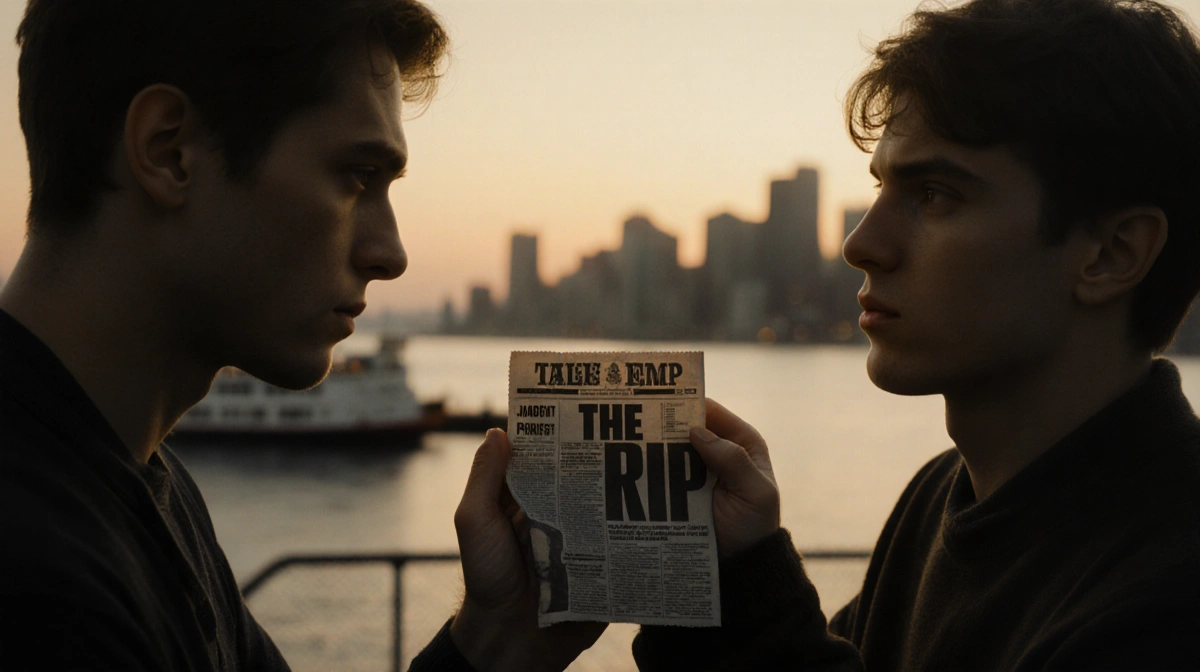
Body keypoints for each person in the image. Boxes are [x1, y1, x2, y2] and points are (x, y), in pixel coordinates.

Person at [451, 0, 1200, 669]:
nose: (861, 243)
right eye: (881, 187)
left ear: (1112, 253)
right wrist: (725, 574)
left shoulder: (1166, 604)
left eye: (935, 194)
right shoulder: (944, 495)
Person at [0, 1, 596, 670]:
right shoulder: (42, 592)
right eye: (357, 177)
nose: (390, 254)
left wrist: (501, 640)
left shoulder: (132, 482)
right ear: (169, 152)